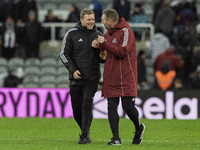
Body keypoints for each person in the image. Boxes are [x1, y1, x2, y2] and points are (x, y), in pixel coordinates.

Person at [95, 9, 145, 145]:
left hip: (126, 76)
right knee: (111, 106)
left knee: (128, 107)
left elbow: (122, 52)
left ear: (110, 20)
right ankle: (116, 138)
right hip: (111, 75)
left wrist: (104, 44)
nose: (101, 22)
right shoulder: (108, 34)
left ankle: (139, 127)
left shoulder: (126, 32)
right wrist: (99, 47)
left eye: (103, 19)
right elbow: (106, 52)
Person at [59, 8, 104, 144]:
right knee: (76, 109)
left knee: (86, 105)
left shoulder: (99, 35)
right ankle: (85, 129)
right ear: (81, 20)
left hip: (92, 79)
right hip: (75, 79)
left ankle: (84, 135)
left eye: (93, 19)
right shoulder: (71, 34)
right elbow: (63, 54)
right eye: (89, 19)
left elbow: (103, 58)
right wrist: (73, 70)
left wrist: (101, 51)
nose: (92, 22)